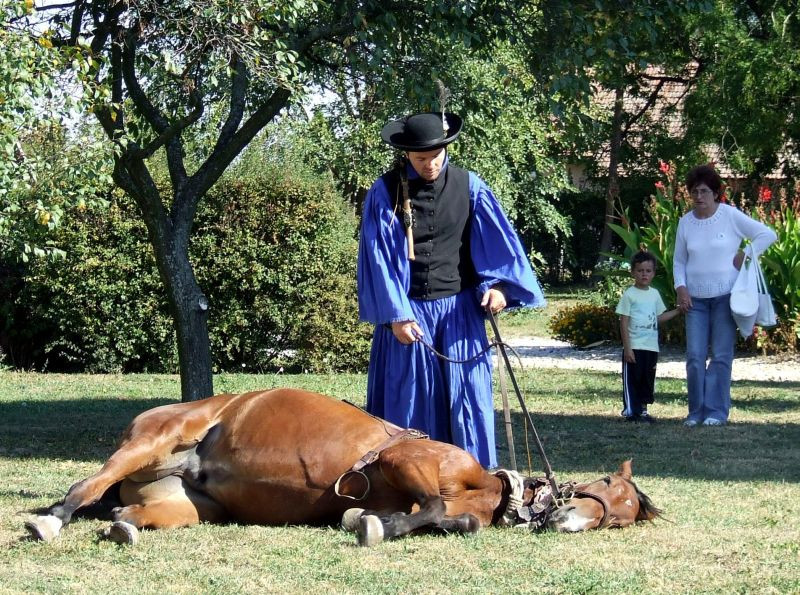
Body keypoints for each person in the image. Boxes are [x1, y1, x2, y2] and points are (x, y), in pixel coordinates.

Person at [357, 111, 545, 468]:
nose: (429, 165)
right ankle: (407, 479)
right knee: (410, 400)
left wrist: (499, 288)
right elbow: (378, 259)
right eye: (420, 159)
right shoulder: (385, 192)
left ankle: (473, 479)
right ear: (407, 156)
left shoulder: (470, 186)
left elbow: (494, 245)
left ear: (446, 148)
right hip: (410, 314)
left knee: (467, 399)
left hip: (459, 314)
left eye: (436, 156)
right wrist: (396, 315)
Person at [673, 164, 777, 427]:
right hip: (695, 301)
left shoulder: (730, 215)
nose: (699, 197)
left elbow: (767, 234)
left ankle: (716, 412)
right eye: (694, 191)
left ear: (716, 192)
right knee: (695, 357)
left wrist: (747, 253)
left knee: (721, 356)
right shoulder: (685, 223)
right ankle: (695, 412)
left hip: (725, 299)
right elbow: (678, 262)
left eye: (705, 191)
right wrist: (680, 288)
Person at [616, 250, 680, 423]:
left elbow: (658, 317)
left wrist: (678, 311)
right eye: (640, 270)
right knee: (633, 379)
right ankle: (631, 411)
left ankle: (643, 410)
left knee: (646, 379)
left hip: (651, 346)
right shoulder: (629, 294)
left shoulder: (654, 294)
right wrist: (627, 347)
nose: (644, 274)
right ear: (633, 272)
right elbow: (623, 321)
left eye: (648, 271)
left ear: (653, 273)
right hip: (634, 345)